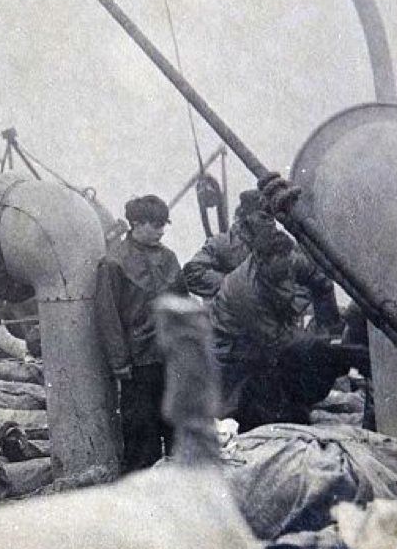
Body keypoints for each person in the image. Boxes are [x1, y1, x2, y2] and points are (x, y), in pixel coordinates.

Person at [210, 230, 368, 432]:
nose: (287, 271)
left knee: (303, 366)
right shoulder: (245, 291)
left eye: (288, 267)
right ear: (261, 260)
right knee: (255, 413)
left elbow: (322, 283)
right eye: (280, 270)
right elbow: (278, 341)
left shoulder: (289, 259)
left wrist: (331, 333)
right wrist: (333, 352)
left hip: (272, 331)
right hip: (235, 350)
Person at [93, 195, 187, 473]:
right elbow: (107, 316)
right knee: (140, 433)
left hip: (171, 356)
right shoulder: (113, 263)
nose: (161, 231)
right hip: (139, 362)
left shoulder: (169, 258)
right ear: (135, 224)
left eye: (163, 225)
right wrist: (119, 362)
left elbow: (183, 303)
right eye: (155, 225)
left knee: (175, 428)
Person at [183, 189, 343, 334]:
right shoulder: (222, 244)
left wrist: (286, 302)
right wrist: (237, 287)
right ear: (246, 217)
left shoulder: (283, 246)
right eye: (263, 216)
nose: (271, 222)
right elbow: (192, 273)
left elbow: (314, 279)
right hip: (234, 331)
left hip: (277, 330)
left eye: (271, 216)